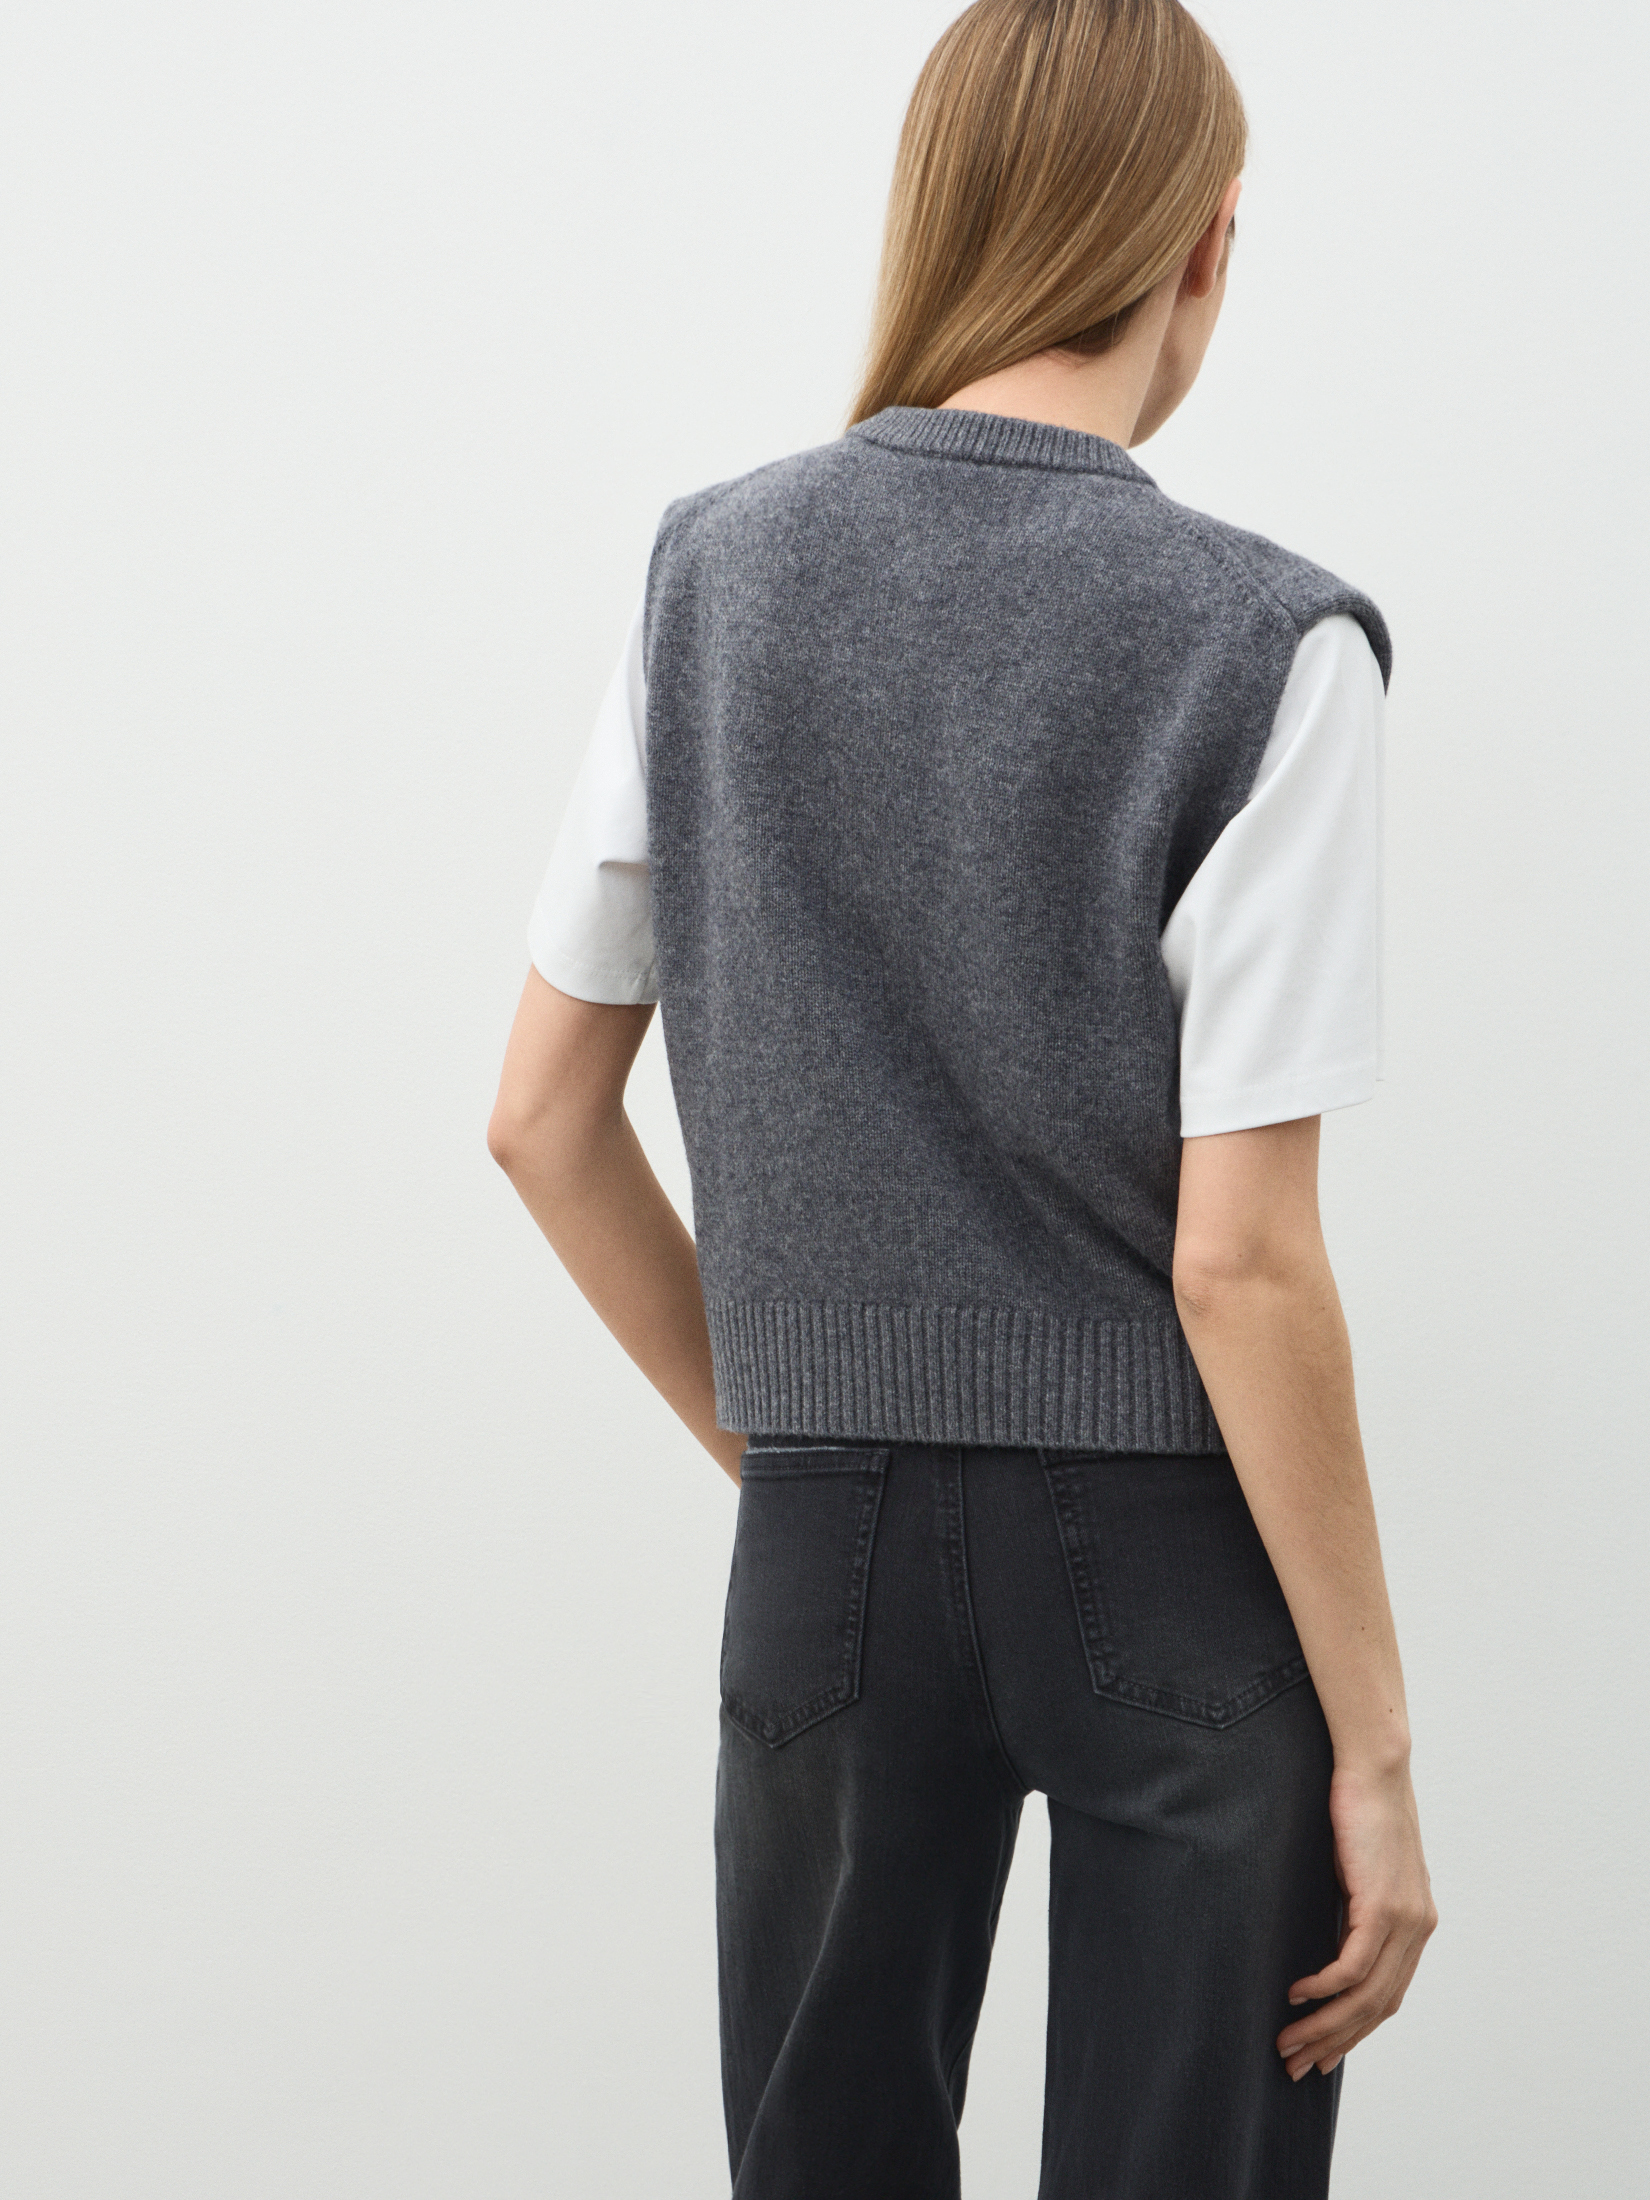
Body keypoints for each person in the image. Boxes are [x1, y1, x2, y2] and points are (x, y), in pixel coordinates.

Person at [487, 1, 1437, 2191]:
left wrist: (801, 1451)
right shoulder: (1267, 640)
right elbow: (1241, 1261)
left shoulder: (708, 576)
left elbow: (539, 1115)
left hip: (822, 1548)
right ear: (1203, 243)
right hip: (1174, 1563)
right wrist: (1378, 1751)